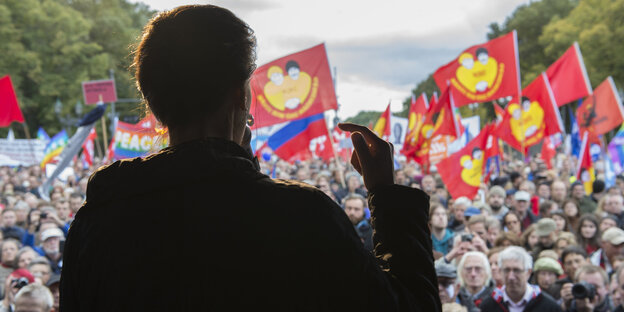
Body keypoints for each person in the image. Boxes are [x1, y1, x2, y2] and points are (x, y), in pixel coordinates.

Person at [60, 5, 441, 311]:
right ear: (239, 96)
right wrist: (387, 198)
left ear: (152, 102)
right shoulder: (301, 216)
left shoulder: (96, 224)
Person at [479, 246, 561, 311]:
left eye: (517, 270)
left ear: (528, 273)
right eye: (507, 270)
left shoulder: (548, 306)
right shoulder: (488, 305)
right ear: (500, 271)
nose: (511, 277)